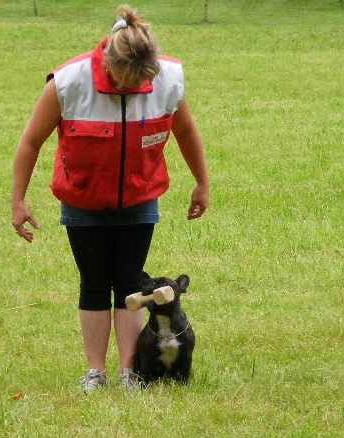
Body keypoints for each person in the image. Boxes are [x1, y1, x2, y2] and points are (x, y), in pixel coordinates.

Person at [10, 4, 209, 392]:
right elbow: (30, 141)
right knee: (95, 283)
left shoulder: (168, 80)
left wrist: (201, 182)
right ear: (106, 62)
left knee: (132, 285)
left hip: (140, 197)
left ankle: (128, 372)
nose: (128, 89)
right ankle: (95, 372)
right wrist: (18, 201)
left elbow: (186, 133)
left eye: (137, 84)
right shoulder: (68, 82)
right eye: (122, 81)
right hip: (83, 200)